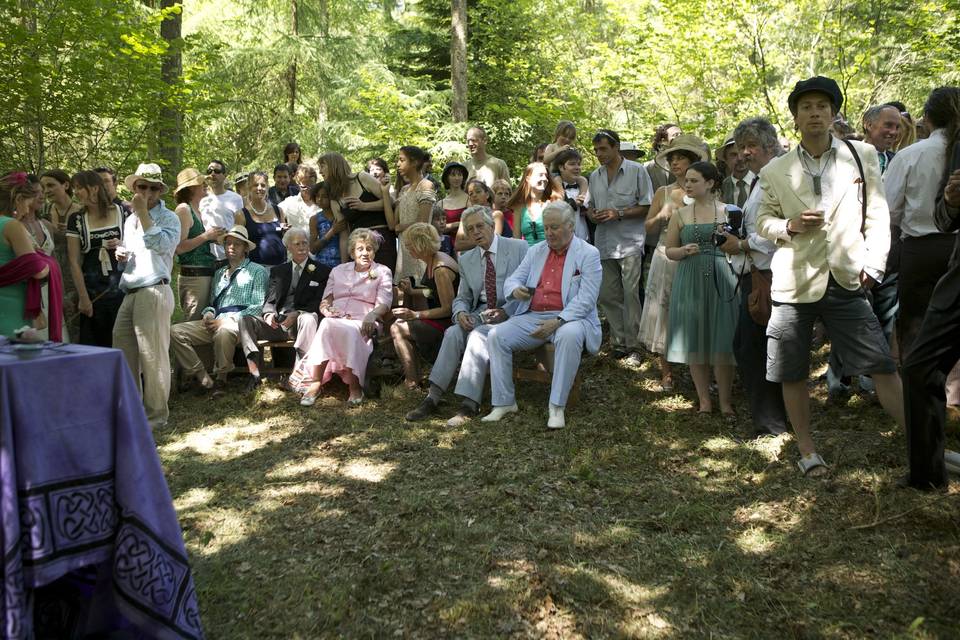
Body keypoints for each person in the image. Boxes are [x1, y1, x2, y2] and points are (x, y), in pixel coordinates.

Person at [757, 76, 905, 476]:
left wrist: (874, 264)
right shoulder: (775, 169)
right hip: (793, 283)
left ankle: (920, 443)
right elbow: (761, 221)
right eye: (807, 107)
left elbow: (877, 215)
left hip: (847, 278)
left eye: (823, 105)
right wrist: (788, 225)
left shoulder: (861, 155)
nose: (815, 112)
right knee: (791, 368)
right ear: (795, 117)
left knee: (881, 363)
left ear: (834, 111)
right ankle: (806, 450)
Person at [482, 201, 602, 429]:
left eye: (554, 227)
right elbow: (512, 280)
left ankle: (556, 406)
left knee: (568, 335)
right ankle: (504, 402)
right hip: (533, 314)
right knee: (496, 335)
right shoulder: (536, 251)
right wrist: (515, 290)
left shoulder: (588, 253)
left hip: (570, 317)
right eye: (546, 227)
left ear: (571, 226)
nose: (549, 233)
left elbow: (587, 299)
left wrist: (557, 322)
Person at [405, 206, 528, 425]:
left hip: (512, 311)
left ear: (491, 225)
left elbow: (528, 289)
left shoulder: (518, 247)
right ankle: (432, 397)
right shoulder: (467, 258)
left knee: (477, 336)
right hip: (480, 311)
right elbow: (461, 296)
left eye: (480, 226)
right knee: (453, 332)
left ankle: (469, 403)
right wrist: (460, 312)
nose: (476, 232)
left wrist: (505, 311)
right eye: (470, 229)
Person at [886, 87, 960, 437]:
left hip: (921, 249)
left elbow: (889, 208)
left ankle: (924, 423)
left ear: (927, 118)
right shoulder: (917, 153)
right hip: (945, 248)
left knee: (916, 336)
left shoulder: (911, 155)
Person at [717, 118, 789, 437]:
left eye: (752, 146)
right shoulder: (761, 178)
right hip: (754, 272)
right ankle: (768, 419)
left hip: (772, 274)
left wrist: (743, 243)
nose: (745, 153)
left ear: (770, 144)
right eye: (742, 146)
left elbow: (783, 229)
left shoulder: (781, 176)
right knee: (749, 347)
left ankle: (772, 424)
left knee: (757, 349)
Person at [664, 162, 739, 417]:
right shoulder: (681, 215)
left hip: (722, 277)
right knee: (696, 337)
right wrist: (682, 251)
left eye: (694, 180)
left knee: (722, 339)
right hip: (691, 277)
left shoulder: (728, 212)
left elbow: (740, 245)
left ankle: (726, 401)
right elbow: (668, 250)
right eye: (687, 180)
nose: (688, 185)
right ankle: (704, 400)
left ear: (710, 183)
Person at [113, 163, 180, 429]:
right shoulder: (129, 221)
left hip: (155, 288)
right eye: (142, 186)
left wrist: (143, 214)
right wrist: (121, 255)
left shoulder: (169, 217)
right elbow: (135, 256)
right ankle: (132, 411)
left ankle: (156, 417)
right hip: (130, 288)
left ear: (161, 191)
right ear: (134, 188)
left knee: (153, 356)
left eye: (154, 188)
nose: (148, 192)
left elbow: (163, 246)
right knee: (123, 351)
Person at [638, 134, 708, 392]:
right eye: (672, 158)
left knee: (697, 312)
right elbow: (646, 227)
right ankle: (667, 372)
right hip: (666, 257)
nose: (675, 162)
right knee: (663, 312)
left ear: (692, 162)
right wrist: (660, 215)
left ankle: (700, 370)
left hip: (696, 256)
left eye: (681, 158)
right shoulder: (663, 192)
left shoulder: (704, 190)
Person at [300, 228, 393, 406]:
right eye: (360, 249)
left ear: (374, 251)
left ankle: (355, 386)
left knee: (348, 330)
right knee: (327, 323)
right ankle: (315, 383)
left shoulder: (382, 271)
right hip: (336, 318)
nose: (365, 253)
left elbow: (385, 302)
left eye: (369, 248)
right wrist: (326, 309)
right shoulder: (338, 271)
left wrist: (372, 315)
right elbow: (326, 300)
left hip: (365, 320)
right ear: (352, 252)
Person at [171, 225, 268, 390]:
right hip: (215, 320)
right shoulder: (219, 272)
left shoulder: (258, 271)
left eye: (237, 244)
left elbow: (256, 307)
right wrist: (208, 315)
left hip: (241, 322)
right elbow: (212, 304)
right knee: (174, 332)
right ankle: (201, 374)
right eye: (228, 243)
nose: (231, 247)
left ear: (245, 248)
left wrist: (225, 321)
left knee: (224, 332)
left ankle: (221, 378)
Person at [587, 128, 654, 365]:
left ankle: (635, 345)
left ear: (616, 147)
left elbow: (648, 205)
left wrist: (620, 213)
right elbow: (589, 206)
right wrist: (593, 215)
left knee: (630, 294)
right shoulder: (594, 176)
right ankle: (618, 342)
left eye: (603, 148)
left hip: (630, 242)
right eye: (596, 150)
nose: (599, 153)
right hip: (604, 243)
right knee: (607, 295)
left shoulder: (637, 171)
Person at [238, 227, 331, 391]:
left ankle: (299, 375)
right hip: (278, 324)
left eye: (304, 243)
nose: (302, 247)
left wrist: (297, 313)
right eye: (297, 244)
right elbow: (270, 300)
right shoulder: (278, 271)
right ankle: (254, 374)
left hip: (301, 324)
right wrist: (268, 314)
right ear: (288, 247)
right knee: (245, 320)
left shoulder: (322, 271)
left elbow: (318, 301)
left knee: (308, 318)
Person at [390, 223, 460, 388]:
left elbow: (448, 308)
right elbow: (433, 292)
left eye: (409, 245)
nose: (407, 249)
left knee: (396, 328)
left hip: (450, 322)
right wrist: (413, 292)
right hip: (443, 318)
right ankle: (414, 376)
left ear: (421, 244)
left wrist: (415, 315)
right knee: (398, 326)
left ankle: (412, 380)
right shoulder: (434, 259)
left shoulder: (440, 269)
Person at [66, 171, 126, 347]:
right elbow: (74, 262)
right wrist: (83, 297)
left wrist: (123, 243)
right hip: (93, 293)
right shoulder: (76, 219)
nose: (75, 192)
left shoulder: (122, 212)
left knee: (123, 343)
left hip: (123, 288)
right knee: (95, 344)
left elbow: (140, 246)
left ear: (93, 188)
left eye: (79, 188)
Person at [319, 152, 397, 272]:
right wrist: (344, 266)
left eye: (322, 166)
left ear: (333, 165)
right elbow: (344, 235)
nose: (320, 171)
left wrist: (364, 206)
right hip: (359, 247)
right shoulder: (334, 197)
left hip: (382, 241)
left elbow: (390, 201)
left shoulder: (362, 178)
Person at [0, 173, 56, 338]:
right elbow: (37, 270)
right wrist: (47, 263)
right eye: (28, 203)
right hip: (11, 306)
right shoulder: (11, 225)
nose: (26, 210)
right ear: (18, 199)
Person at [173, 168, 221, 321]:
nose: (205, 185)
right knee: (194, 324)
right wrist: (206, 236)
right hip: (194, 278)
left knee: (205, 322)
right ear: (191, 188)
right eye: (201, 182)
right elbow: (179, 247)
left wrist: (214, 238)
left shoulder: (197, 210)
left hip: (206, 274)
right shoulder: (183, 209)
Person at [40, 169, 81, 328]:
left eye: (51, 185)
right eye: (43, 187)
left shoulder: (81, 211)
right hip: (52, 274)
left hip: (77, 273)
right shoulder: (42, 212)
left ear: (65, 185)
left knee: (76, 323)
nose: (47, 191)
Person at [394, 146, 438, 285]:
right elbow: (393, 224)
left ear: (414, 162)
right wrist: (384, 192)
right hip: (404, 248)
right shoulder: (404, 189)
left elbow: (423, 223)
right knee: (405, 292)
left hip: (420, 246)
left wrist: (402, 226)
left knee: (420, 290)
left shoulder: (426, 185)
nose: (398, 164)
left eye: (402, 160)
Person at [507, 162, 563, 247]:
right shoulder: (519, 207)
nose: (544, 178)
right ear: (528, 179)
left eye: (546, 176)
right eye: (540, 175)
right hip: (527, 256)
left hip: (550, 253)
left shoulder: (553, 204)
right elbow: (516, 240)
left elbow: (561, 235)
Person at [199, 159, 244, 263]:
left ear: (224, 175)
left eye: (217, 171)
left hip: (228, 256)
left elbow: (240, 226)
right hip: (206, 257)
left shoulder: (235, 198)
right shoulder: (202, 201)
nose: (213, 174)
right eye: (209, 171)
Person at [240, 171, 288, 266]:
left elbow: (284, 235)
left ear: (267, 187)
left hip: (280, 268)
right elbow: (239, 244)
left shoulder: (278, 210)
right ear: (249, 187)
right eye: (255, 185)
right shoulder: (241, 214)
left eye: (263, 185)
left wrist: (286, 231)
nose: (259, 188)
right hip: (255, 269)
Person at [552, 148, 590, 240]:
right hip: (562, 240)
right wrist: (573, 203)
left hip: (584, 239)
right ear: (561, 167)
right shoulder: (553, 189)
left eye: (579, 164)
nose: (577, 167)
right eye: (572, 164)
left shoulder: (586, 187)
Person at [308, 182, 348, 268]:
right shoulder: (314, 219)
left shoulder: (343, 215)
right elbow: (312, 249)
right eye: (317, 196)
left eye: (324, 196)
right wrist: (332, 232)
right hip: (322, 266)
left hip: (342, 265)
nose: (320, 199)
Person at [436, 161, 469, 249]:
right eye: (453, 175)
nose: (457, 178)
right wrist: (457, 224)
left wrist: (450, 226)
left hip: (465, 245)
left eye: (459, 174)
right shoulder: (441, 203)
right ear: (447, 178)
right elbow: (438, 228)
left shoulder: (470, 199)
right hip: (446, 247)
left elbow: (471, 224)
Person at [279, 164, 321, 233]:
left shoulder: (321, 203)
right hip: (296, 242)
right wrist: (283, 227)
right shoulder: (289, 202)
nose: (308, 189)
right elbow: (273, 216)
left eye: (311, 185)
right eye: (304, 186)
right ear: (298, 185)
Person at [719, 137, 755, 208]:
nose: (740, 158)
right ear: (725, 159)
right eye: (734, 155)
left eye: (742, 153)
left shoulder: (762, 182)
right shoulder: (722, 187)